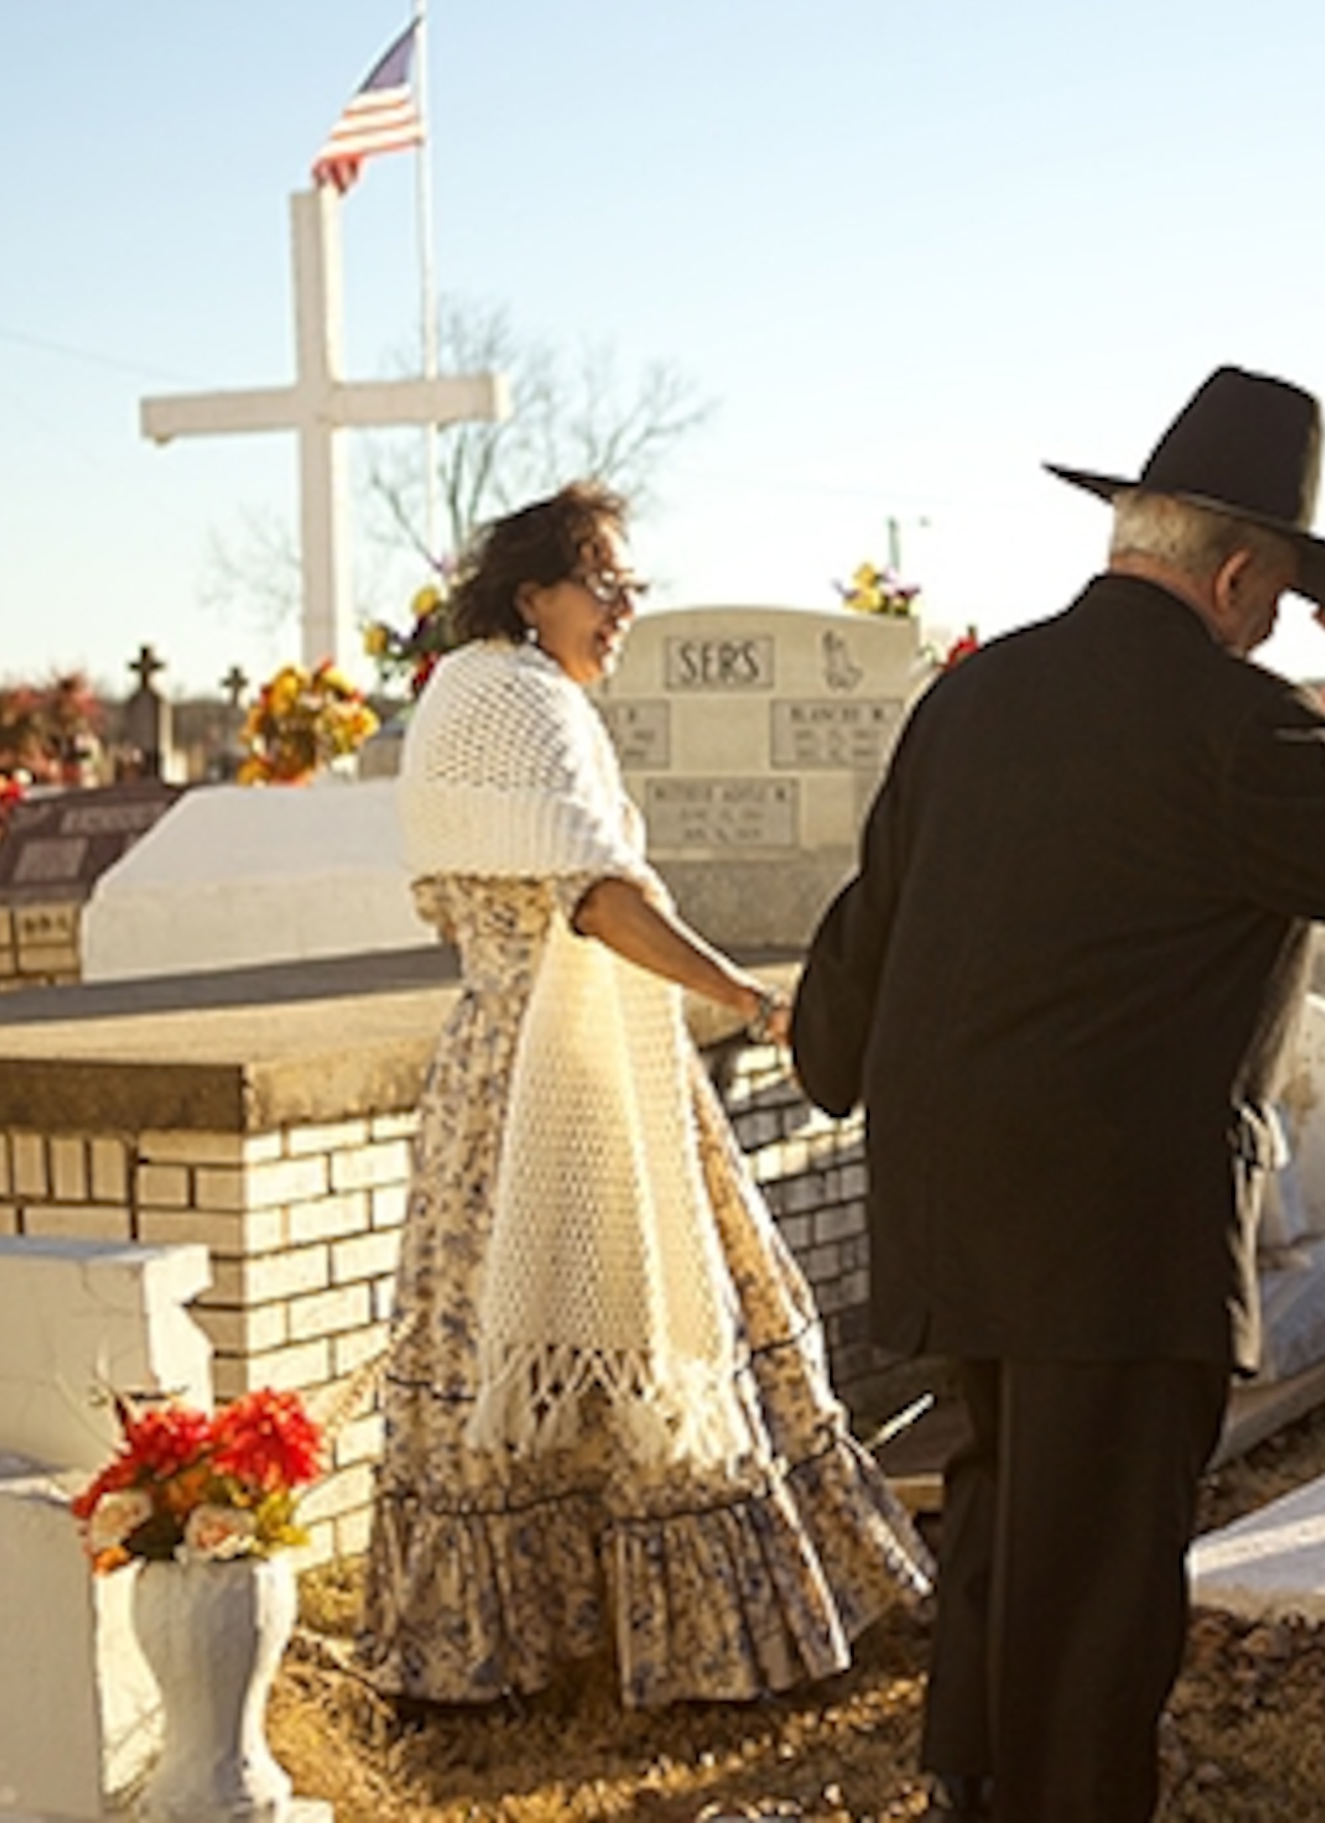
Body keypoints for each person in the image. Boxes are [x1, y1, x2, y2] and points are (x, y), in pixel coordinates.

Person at [792, 367, 1325, 1820]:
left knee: (995, 1543)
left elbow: (865, 936)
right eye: (1275, 595)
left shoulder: (968, 696)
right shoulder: (1241, 726)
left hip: (953, 1213)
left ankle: (971, 1800)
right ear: (1236, 574)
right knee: (1097, 1595)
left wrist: (841, 1067)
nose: (1264, 621)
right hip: (1112, 1236)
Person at [364, 479, 929, 1709]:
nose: (624, 607)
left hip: (521, 1072)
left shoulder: (483, 692)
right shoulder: (515, 698)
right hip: (549, 1081)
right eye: (605, 582)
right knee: (658, 1328)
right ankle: (654, 1645)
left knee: (546, 1348)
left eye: (631, 583)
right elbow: (599, 894)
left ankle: (543, 1645)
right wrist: (743, 994)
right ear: (534, 594)